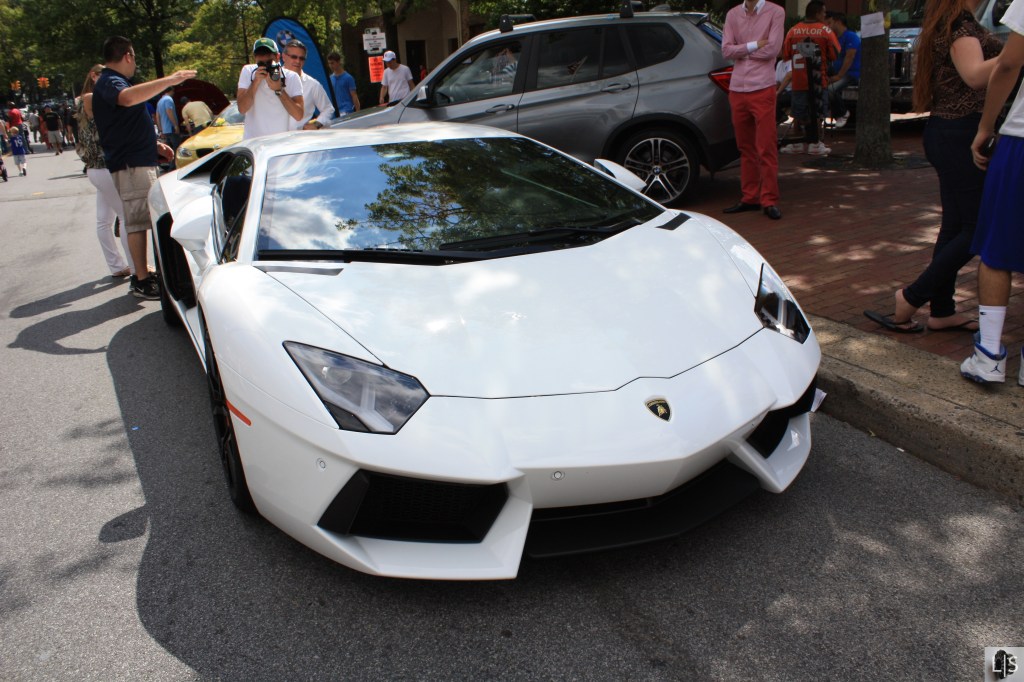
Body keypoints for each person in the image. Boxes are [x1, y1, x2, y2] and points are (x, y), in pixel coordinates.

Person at [863, 0, 1002, 334]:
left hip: (948, 132)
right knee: (976, 228)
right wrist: (1013, 57)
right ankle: (910, 297)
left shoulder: (952, 22)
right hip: (959, 134)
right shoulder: (959, 27)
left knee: (956, 226)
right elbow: (974, 76)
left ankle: (942, 310)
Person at [93, 35, 196, 299]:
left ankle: (144, 274)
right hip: (130, 164)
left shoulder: (115, 81)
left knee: (142, 219)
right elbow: (126, 100)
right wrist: (170, 80)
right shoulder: (110, 81)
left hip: (138, 159)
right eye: (134, 57)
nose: (135, 62)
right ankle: (140, 279)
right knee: (137, 222)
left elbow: (126, 124)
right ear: (128, 55)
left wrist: (154, 144)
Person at [961, 0, 1024, 384]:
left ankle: (989, 356)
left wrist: (985, 127)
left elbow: (1010, 62)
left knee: (998, 250)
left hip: (1022, 138)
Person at [720, 0, 786, 220]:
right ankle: (750, 197)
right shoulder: (732, 14)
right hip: (738, 88)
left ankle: (769, 199)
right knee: (745, 147)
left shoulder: (776, 12)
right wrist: (754, 45)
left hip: (762, 88)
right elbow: (725, 50)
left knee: (766, 146)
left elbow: (773, 50)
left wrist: (742, 51)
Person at [78, 63, 132, 279]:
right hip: (104, 166)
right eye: (105, 76)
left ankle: (117, 266)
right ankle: (137, 268)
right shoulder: (91, 97)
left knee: (104, 220)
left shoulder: (91, 98)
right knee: (127, 217)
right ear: (93, 75)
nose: (110, 80)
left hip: (97, 168)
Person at [780, 0, 840, 155]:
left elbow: (786, 55)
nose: (825, 15)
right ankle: (816, 143)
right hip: (818, 81)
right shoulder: (825, 31)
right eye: (824, 12)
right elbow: (835, 54)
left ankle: (796, 143)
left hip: (798, 81)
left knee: (797, 114)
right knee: (818, 113)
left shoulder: (793, 31)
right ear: (818, 13)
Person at [237, 37, 304, 139]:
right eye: (261, 62)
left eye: (268, 60)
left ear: (277, 57)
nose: (265, 65)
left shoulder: (291, 77)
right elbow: (242, 109)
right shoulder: (248, 71)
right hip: (253, 142)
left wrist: (279, 90)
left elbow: (298, 115)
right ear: (255, 58)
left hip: (280, 142)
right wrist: (256, 81)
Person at [280, 40, 335, 130]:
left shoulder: (312, 85)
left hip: (301, 139)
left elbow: (328, 109)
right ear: (283, 57)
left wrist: (317, 124)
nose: (298, 61)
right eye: (294, 57)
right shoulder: (271, 81)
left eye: (302, 58)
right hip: (274, 138)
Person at [824, 11, 860, 128]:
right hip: (838, 73)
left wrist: (839, 75)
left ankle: (842, 113)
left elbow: (850, 57)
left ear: (838, 22)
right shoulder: (835, 38)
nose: (827, 27)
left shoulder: (851, 36)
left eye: (829, 23)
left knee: (830, 90)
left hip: (851, 74)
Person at [327, 52, 360, 116]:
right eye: (329, 63)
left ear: (338, 62)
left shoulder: (348, 78)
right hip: (335, 111)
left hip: (347, 110)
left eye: (332, 63)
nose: (330, 66)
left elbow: (354, 95)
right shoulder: (330, 79)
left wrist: (358, 111)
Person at [156, 86, 181, 151]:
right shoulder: (168, 99)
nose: (174, 93)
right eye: (173, 91)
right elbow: (169, 111)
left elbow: (158, 117)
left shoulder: (160, 101)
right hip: (171, 128)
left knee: (169, 149)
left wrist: (160, 130)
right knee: (177, 147)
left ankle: (171, 161)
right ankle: (177, 161)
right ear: (171, 91)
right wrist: (175, 126)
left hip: (165, 130)